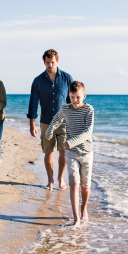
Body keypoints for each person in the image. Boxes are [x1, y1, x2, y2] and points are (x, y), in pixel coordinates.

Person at [45, 81, 94, 226]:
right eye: (72, 97)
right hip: (71, 153)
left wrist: (71, 142)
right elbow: (57, 118)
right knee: (74, 183)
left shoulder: (89, 110)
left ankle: (84, 209)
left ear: (84, 96)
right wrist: (49, 131)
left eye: (78, 97)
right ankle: (76, 217)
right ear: (69, 96)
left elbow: (87, 132)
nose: (75, 101)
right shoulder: (66, 108)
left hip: (86, 153)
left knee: (85, 186)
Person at [28, 49, 74, 190]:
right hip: (46, 122)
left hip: (64, 123)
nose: (50, 65)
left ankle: (60, 178)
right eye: (47, 62)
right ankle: (50, 181)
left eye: (52, 62)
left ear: (57, 61)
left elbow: (72, 101)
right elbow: (33, 103)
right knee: (48, 152)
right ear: (44, 62)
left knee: (64, 152)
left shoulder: (67, 78)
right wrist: (32, 125)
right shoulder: (37, 81)